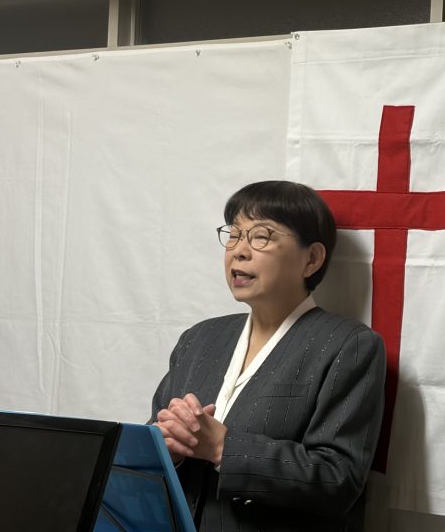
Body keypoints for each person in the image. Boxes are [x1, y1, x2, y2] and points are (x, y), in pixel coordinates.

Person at [150, 180, 386, 531]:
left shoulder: (349, 345)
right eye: (234, 235)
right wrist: (165, 446)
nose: (239, 251)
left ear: (312, 259)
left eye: (261, 236)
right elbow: (149, 440)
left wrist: (223, 448)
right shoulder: (199, 338)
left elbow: (339, 478)